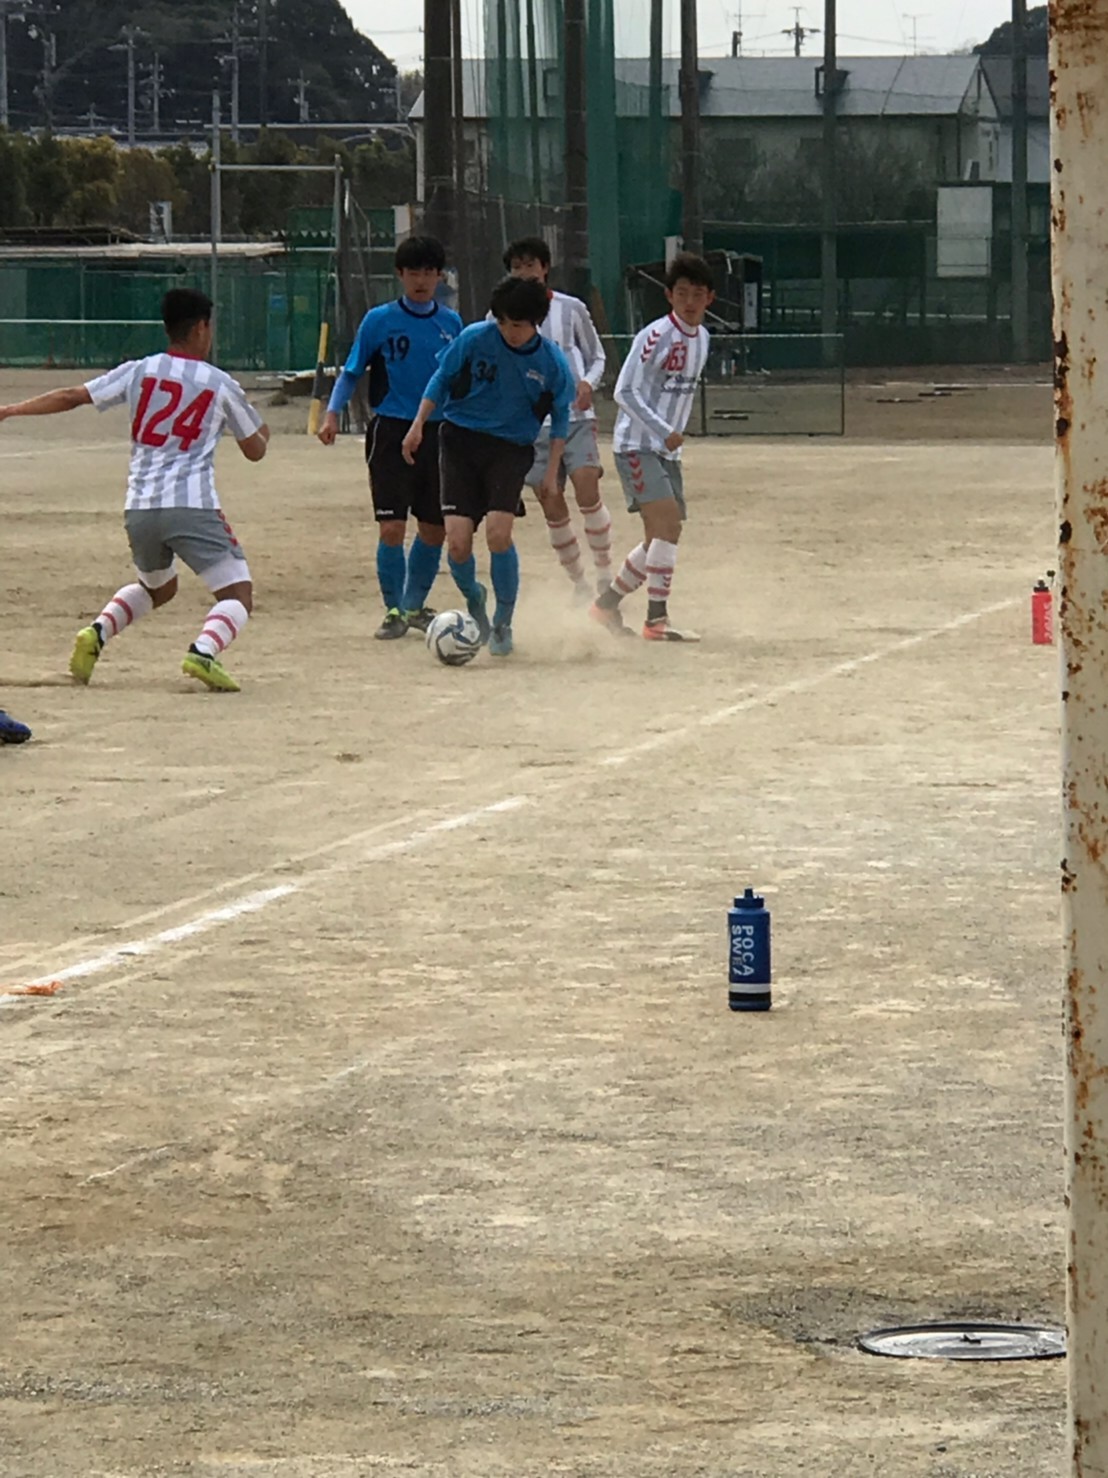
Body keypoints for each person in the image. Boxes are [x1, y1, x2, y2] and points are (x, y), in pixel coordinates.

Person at [0, 288, 269, 692]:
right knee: (238, 594)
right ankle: (204, 651)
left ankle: (96, 632)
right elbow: (256, 450)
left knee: (158, 587)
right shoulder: (219, 383)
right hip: (191, 505)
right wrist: (256, 430)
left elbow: (73, 396)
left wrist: (10, 409)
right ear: (201, 327)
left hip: (140, 507)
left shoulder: (140, 370)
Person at [402, 275, 574, 658]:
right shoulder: (475, 338)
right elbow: (442, 378)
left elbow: (561, 418)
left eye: (519, 325)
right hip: (460, 442)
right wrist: (417, 426)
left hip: (510, 449)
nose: (510, 332)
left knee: (498, 534)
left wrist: (551, 473)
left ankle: (503, 622)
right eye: (504, 323)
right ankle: (474, 599)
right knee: (457, 543)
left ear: (536, 323)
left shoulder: (552, 362)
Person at [318, 235, 463, 641]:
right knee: (391, 528)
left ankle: (414, 604)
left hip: (437, 433)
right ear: (400, 274)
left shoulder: (452, 324)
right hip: (391, 431)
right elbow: (352, 371)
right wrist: (332, 413)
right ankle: (393, 609)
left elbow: (458, 379)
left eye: (429, 272)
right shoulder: (379, 320)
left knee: (433, 528)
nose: (421, 280)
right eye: (413, 272)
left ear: (439, 277)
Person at [590, 253, 715, 643]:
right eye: (682, 293)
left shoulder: (703, 338)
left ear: (709, 298)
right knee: (667, 525)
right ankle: (656, 619)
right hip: (638, 446)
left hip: (666, 452)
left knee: (661, 537)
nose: (689, 302)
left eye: (697, 294)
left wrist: (670, 439)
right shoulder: (656, 336)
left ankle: (605, 605)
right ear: (669, 295)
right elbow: (624, 391)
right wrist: (663, 430)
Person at [502, 236, 612, 600]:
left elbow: (597, 356)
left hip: (576, 416)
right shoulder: (498, 316)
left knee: (587, 486)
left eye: (530, 265)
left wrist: (588, 382)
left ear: (545, 268)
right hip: (533, 426)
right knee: (551, 500)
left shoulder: (571, 308)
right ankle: (579, 583)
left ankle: (605, 575)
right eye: (517, 267)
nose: (525, 273)